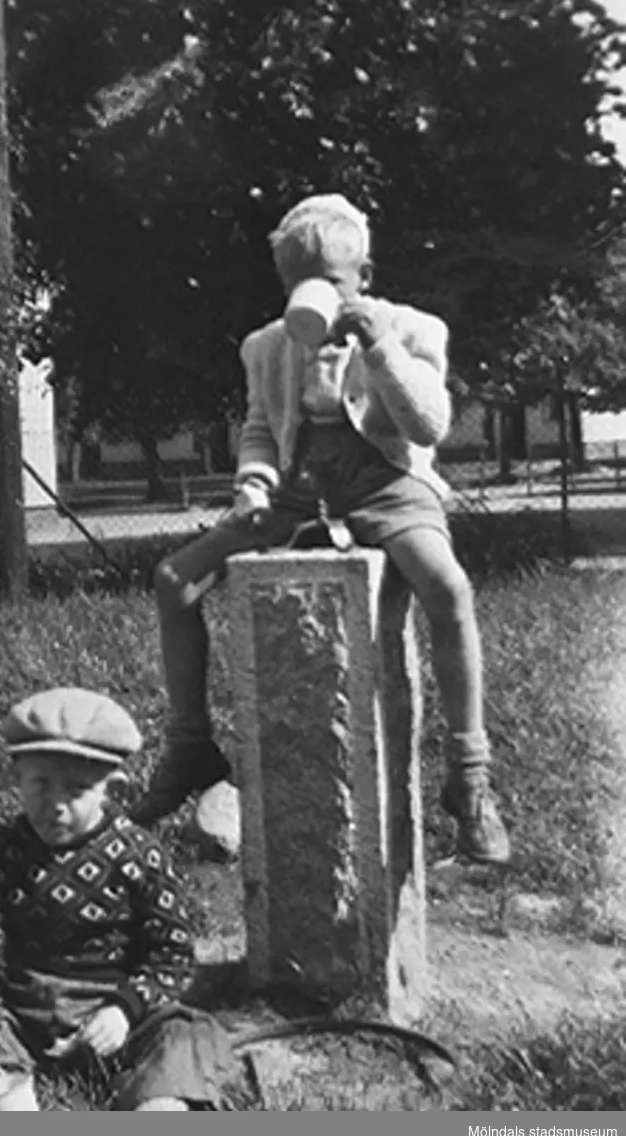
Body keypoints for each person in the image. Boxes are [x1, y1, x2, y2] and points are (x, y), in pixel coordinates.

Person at [131, 193, 510, 866]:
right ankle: (189, 746)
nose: (310, 295)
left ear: (362, 276)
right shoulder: (268, 345)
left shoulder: (412, 329)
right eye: (293, 282)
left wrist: (380, 345)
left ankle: (468, 774)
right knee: (174, 579)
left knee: (447, 589)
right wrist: (253, 483)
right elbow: (257, 430)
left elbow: (427, 427)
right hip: (299, 493)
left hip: (387, 485)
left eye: (329, 282)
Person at [0, 688, 236, 1111]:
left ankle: (159, 1104)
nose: (56, 805)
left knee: (187, 1032)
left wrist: (123, 1010)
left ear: (114, 788)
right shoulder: (2, 853)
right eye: (41, 784)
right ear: (15, 777)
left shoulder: (141, 856)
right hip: (17, 1014)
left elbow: (171, 956)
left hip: (112, 1014)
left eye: (77, 789)